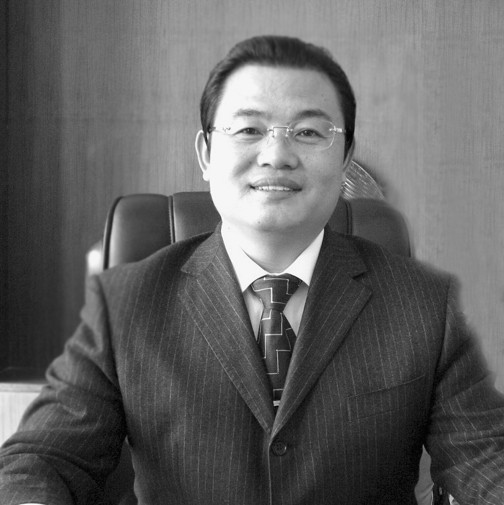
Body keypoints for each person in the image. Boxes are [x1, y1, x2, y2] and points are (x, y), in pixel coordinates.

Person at [1, 35, 504, 505]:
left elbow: (484, 456)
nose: (277, 155)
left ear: (345, 156)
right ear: (206, 154)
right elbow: (45, 457)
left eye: (308, 132)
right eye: (248, 130)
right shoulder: (125, 304)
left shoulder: (427, 303)